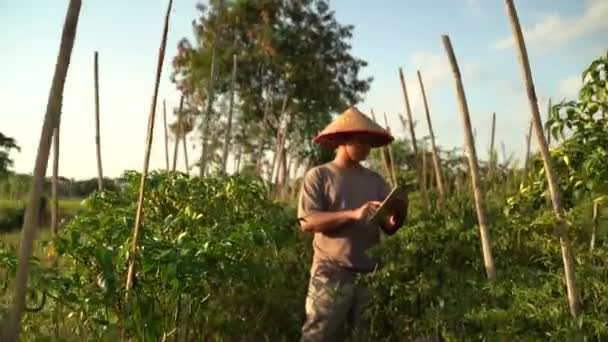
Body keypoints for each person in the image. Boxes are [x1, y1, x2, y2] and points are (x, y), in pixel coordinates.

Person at [297, 106, 408, 341]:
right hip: (331, 274)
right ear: (343, 139)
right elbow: (308, 221)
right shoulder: (319, 176)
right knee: (319, 335)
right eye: (362, 141)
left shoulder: (375, 180)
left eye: (370, 142)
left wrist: (399, 213)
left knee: (365, 336)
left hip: (369, 275)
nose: (367, 148)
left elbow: (389, 227)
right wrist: (352, 214)